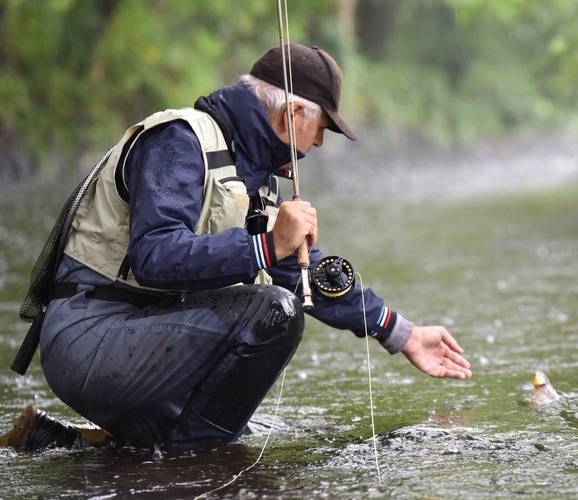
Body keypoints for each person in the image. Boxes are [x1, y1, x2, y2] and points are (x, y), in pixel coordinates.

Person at [1, 44, 472, 451]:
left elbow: (307, 276)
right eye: (322, 128)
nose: (320, 143)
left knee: (243, 417)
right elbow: (155, 257)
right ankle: (189, 463)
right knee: (273, 313)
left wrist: (399, 332)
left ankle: (78, 445)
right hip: (89, 337)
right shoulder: (179, 141)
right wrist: (265, 247)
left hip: (146, 338)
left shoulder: (255, 178)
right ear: (293, 115)